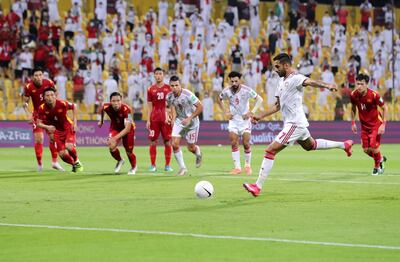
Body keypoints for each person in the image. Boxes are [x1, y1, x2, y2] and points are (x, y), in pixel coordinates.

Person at [243, 53, 354, 197]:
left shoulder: (296, 78)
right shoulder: (281, 82)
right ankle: (344, 145)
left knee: (270, 151)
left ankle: (257, 187)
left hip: (294, 123)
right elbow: (277, 105)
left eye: (277, 66)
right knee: (311, 145)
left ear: (286, 65)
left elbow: (310, 82)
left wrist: (327, 85)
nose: (275, 69)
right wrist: (260, 115)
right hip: (296, 123)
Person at [218, 71, 263, 175]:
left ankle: (247, 166)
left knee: (246, 143)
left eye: (236, 81)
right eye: (232, 81)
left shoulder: (246, 90)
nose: (234, 83)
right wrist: (226, 111)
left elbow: (260, 99)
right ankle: (237, 168)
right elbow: (219, 99)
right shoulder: (227, 91)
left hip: (245, 121)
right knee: (234, 142)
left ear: (240, 80)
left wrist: (252, 112)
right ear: (229, 81)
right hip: (233, 120)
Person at [22, 67, 63, 172]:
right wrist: (28, 114)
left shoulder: (49, 82)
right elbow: (25, 103)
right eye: (36, 75)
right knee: (39, 139)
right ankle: (40, 164)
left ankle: (54, 162)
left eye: (40, 75)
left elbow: (56, 95)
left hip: (49, 114)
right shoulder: (29, 87)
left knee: (53, 137)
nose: (39, 77)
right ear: (32, 77)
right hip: (37, 115)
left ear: (43, 75)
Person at [36, 87, 83, 172]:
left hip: (68, 127)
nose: (50, 97)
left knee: (69, 146)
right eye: (47, 95)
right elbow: (38, 123)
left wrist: (75, 122)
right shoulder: (41, 108)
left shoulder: (62, 103)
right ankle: (74, 165)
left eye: (52, 95)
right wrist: (47, 127)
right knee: (62, 155)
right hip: (57, 131)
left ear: (55, 96)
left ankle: (76, 161)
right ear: (44, 97)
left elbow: (74, 106)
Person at [350, 74, 388, 175]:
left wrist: (383, 124)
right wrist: (353, 122)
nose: (359, 86)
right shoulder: (353, 95)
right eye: (357, 84)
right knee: (365, 149)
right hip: (364, 126)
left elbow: (385, 108)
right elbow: (353, 108)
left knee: (373, 147)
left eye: (362, 84)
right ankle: (380, 159)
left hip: (376, 124)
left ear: (367, 84)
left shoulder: (374, 95)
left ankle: (377, 168)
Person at [166, 76, 203, 176]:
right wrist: (172, 117)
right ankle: (183, 168)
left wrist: (189, 118)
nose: (174, 88)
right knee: (174, 144)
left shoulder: (188, 94)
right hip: (180, 121)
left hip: (192, 122)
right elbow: (171, 106)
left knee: (190, 148)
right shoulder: (169, 96)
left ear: (180, 85)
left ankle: (197, 152)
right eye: (172, 86)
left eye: (176, 85)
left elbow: (200, 107)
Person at [98, 92, 137, 175]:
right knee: (111, 146)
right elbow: (102, 109)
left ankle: (133, 167)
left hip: (129, 130)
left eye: (118, 101)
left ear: (121, 100)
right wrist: (101, 121)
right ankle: (120, 160)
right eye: (113, 101)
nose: (116, 103)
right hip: (115, 128)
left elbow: (127, 129)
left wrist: (114, 138)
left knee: (129, 152)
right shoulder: (106, 106)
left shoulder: (128, 110)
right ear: (110, 101)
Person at [146, 68, 173, 172]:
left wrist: (172, 118)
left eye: (160, 74)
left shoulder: (169, 88)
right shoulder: (150, 89)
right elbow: (149, 107)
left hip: (166, 119)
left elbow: (172, 105)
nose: (158, 76)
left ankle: (167, 165)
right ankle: (153, 165)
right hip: (154, 119)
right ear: (154, 75)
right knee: (153, 142)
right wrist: (148, 120)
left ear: (163, 75)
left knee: (167, 142)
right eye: (156, 74)